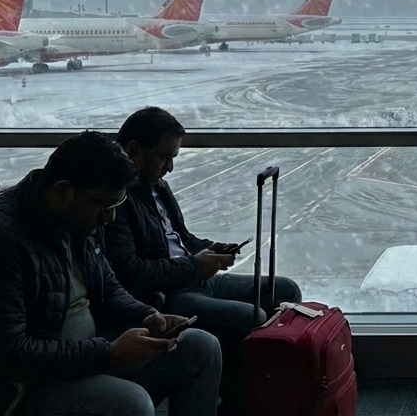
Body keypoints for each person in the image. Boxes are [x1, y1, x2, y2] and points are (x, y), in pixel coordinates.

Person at [0, 131, 222, 416]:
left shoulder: (77, 218)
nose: (111, 217)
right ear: (63, 190)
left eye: (116, 204)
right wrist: (108, 354)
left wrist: (146, 316)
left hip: (80, 354)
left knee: (200, 347)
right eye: (105, 205)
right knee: (129, 403)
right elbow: (7, 354)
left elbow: (108, 286)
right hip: (19, 385)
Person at [104, 106, 302, 415]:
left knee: (284, 291)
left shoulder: (158, 186)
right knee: (251, 317)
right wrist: (196, 266)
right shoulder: (115, 202)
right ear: (134, 151)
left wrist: (211, 249)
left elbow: (180, 236)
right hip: (170, 293)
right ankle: (239, 401)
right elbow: (131, 272)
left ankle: (255, 389)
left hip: (194, 277)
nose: (169, 167)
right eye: (164, 157)